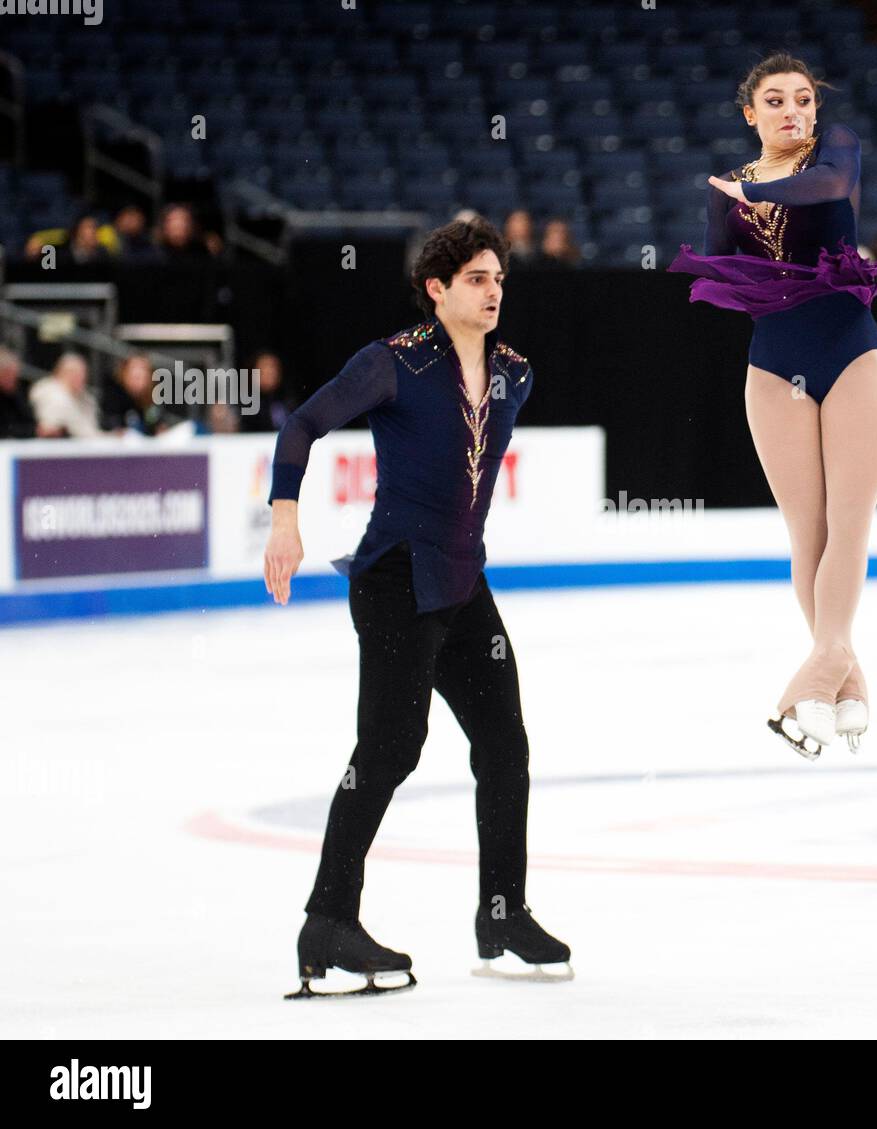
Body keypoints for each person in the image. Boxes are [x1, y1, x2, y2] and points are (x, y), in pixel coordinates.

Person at [263, 217, 571, 998]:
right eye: (476, 278)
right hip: (397, 578)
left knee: (505, 743)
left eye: (499, 278)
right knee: (392, 745)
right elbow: (302, 427)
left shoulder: (515, 374)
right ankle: (327, 921)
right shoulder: (394, 363)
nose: (493, 289)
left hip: (464, 582)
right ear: (437, 289)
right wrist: (285, 519)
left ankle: (501, 913)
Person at [668, 52, 877, 759]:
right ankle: (848, 684)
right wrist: (742, 215)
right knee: (809, 533)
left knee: (850, 525)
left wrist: (755, 197)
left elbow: (825, 186)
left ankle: (808, 686)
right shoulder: (726, 189)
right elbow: (724, 269)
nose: (793, 110)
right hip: (773, 365)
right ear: (750, 112)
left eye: (803, 99)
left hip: (851, 350)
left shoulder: (838, 154)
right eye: (775, 101)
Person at [28, 353, 103, 438]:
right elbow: (50, 429)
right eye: (77, 374)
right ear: (63, 372)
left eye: (83, 374)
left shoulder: (85, 398)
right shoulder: (50, 394)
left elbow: (90, 432)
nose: (82, 378)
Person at [0, 347, 40, 439]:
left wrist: (36, 430)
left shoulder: (17, 392)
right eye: (8, 374)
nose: (13, 379)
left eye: (15, 374)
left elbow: (29, 420)